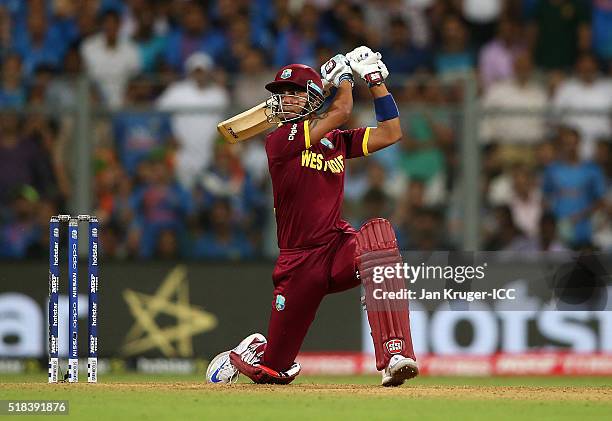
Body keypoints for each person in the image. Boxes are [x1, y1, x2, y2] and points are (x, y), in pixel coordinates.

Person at [206, 47, 418, 387]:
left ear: (314, 97)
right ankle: (257, 349)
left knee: (379, 238)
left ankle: (394, 355)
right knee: (274, 373)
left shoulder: (335, 141)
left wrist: (376, 81)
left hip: (336, 248)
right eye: (281, 94)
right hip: (297, 263)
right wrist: (345, 75)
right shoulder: (279, 141)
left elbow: (391, 132)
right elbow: (343, 110)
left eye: (294, 93)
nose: (286, 99)